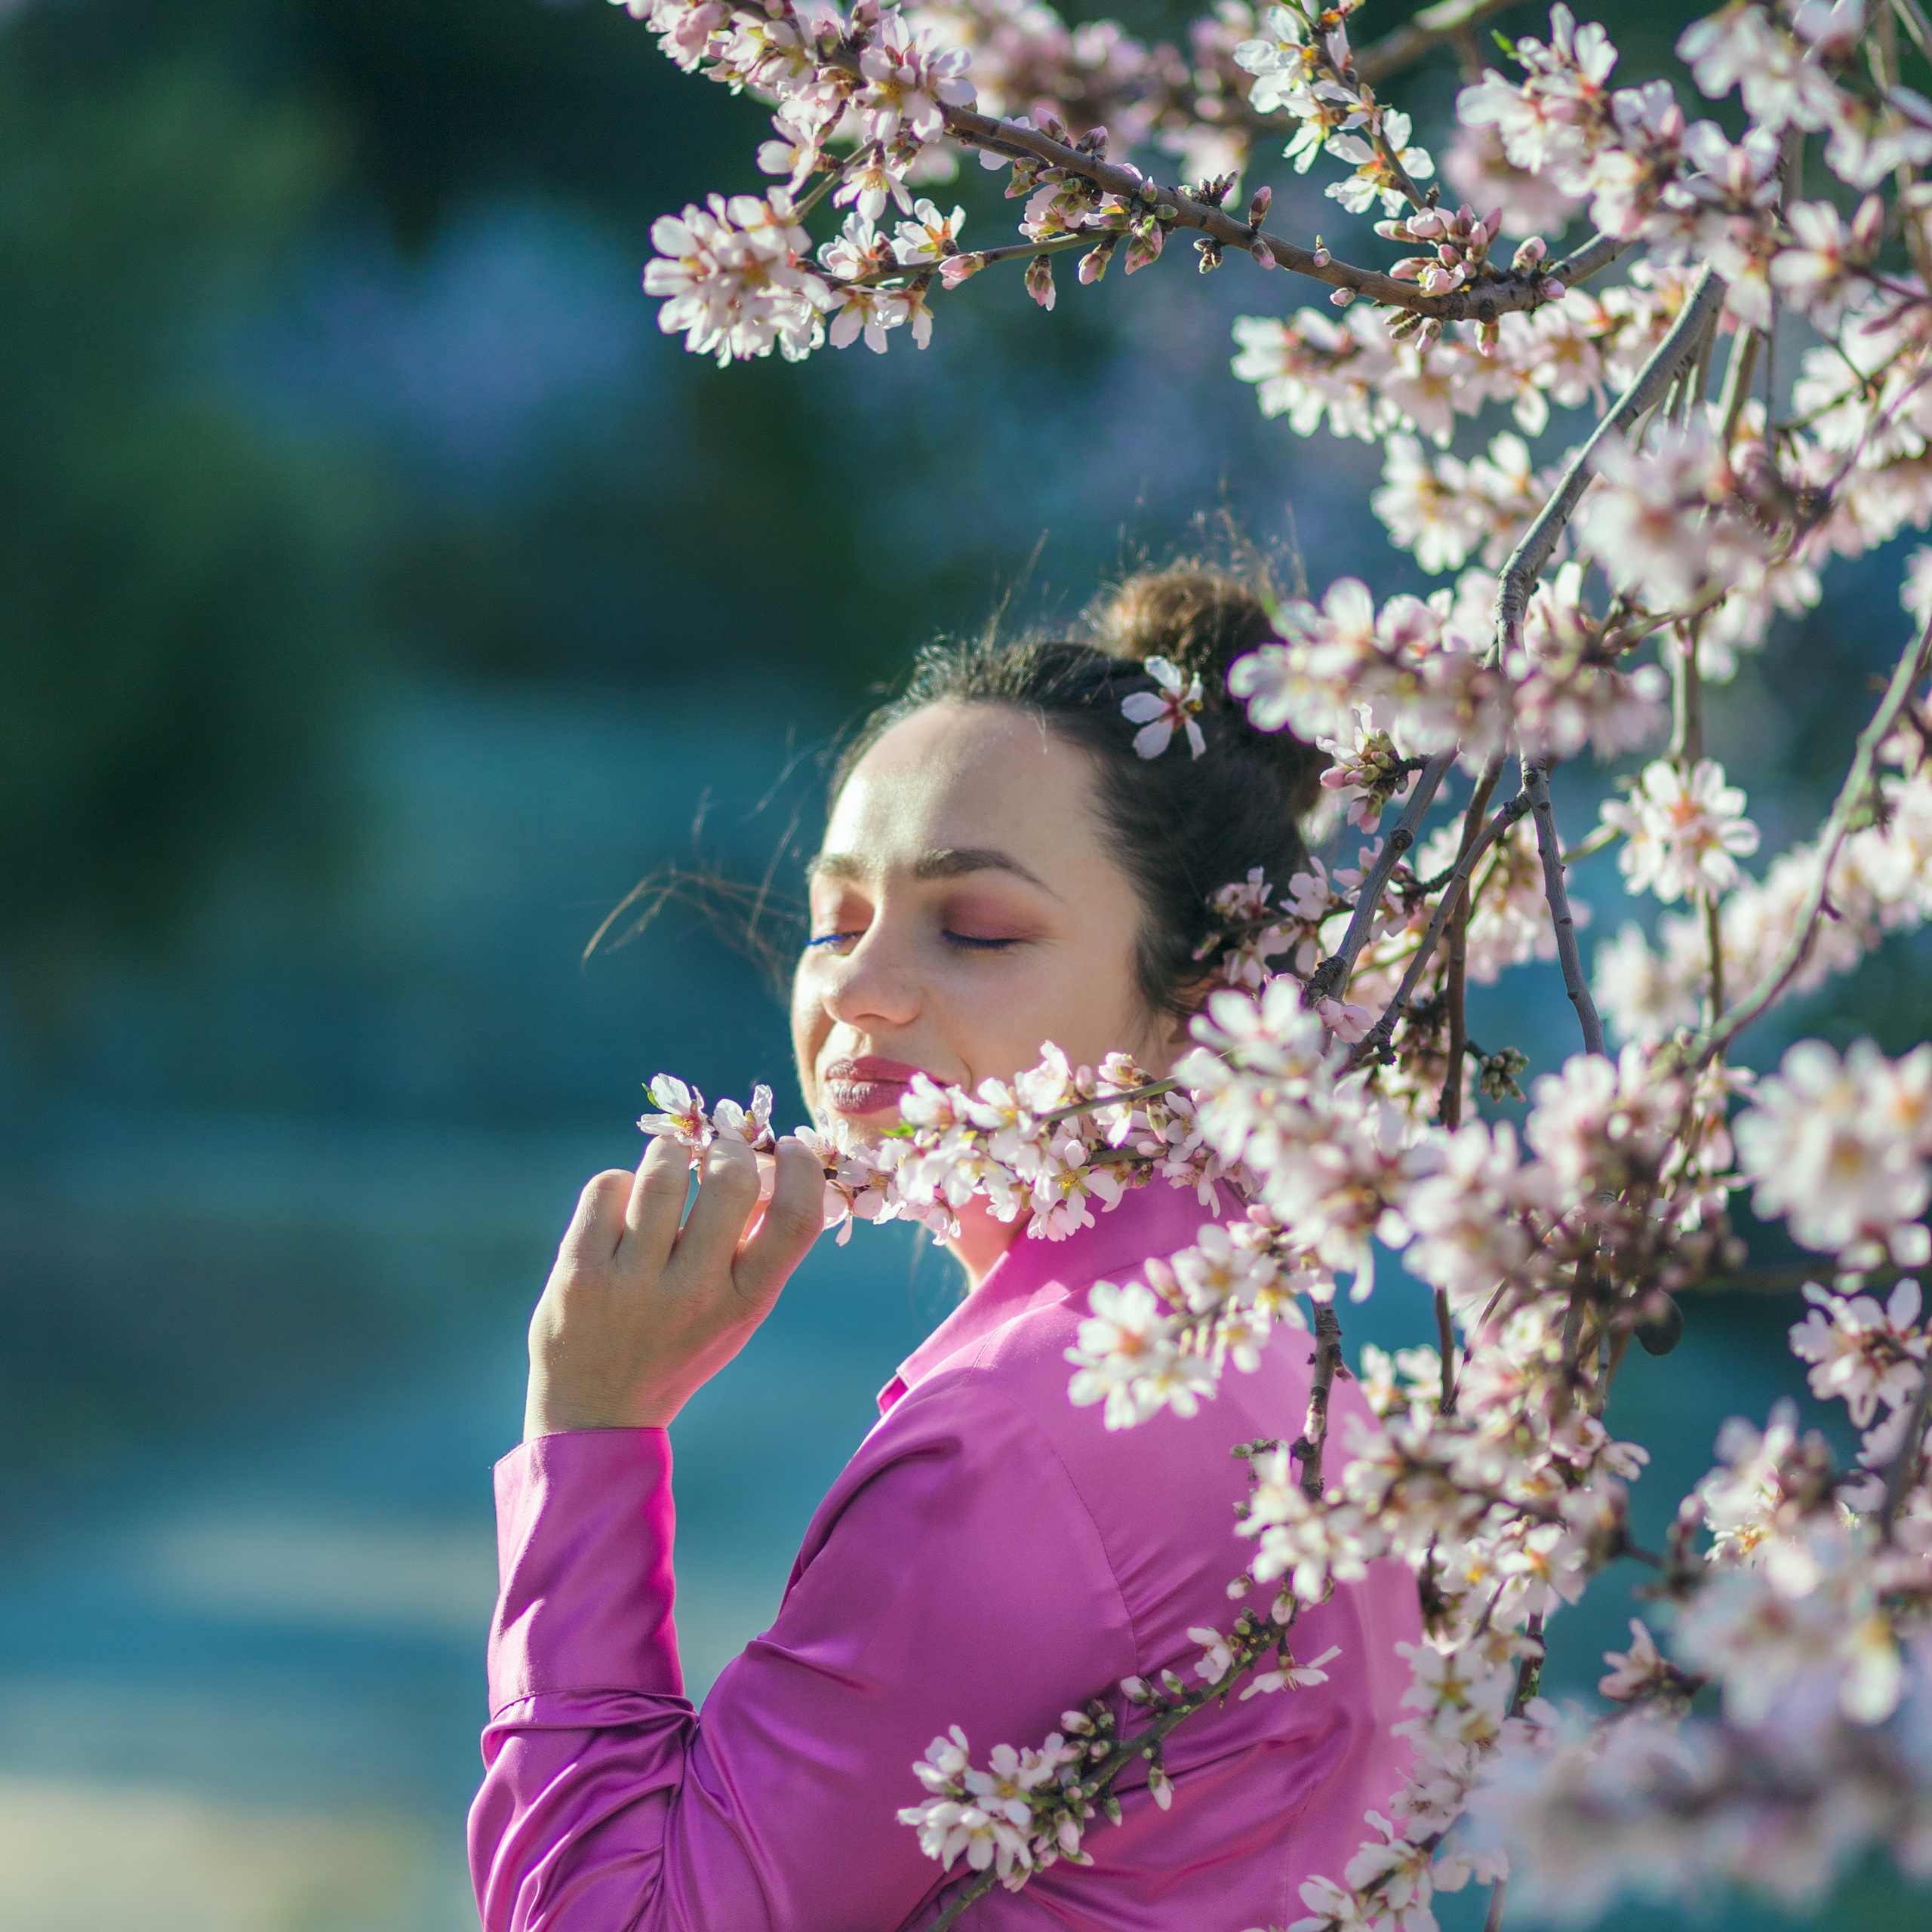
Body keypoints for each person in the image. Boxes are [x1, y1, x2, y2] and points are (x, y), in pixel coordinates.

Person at [469, 568, 1421, 1930]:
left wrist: (591, 1433)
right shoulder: (1255, 1355)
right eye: (835, 921)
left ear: (1210, 998)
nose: (858, 990)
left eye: (974, 929)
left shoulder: (1020, 1434)